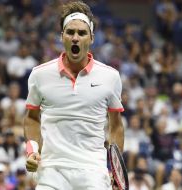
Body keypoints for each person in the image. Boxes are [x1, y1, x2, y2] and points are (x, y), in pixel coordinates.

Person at [24, 1, 125, 190]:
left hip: (93, 170)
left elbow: (116, 126)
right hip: (51, 171)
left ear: (92, 38)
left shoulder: (110, 77)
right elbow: (31, 118)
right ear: (62, 37)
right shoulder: (40, 74)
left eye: (81, 33)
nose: (75, 38)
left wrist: (115, 170)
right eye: (70, 32)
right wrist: (32, 150)